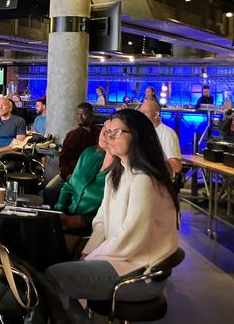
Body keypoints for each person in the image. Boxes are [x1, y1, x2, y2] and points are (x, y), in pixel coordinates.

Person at [44, 109, 179, 324]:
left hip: (138, 272)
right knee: (52, 270)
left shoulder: (144, 179)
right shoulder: (118, 173)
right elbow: (101, 223)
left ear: (137, 136)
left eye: (117, 132)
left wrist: (92, 258)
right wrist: (88, 253)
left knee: (52, 277)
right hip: (121, 260)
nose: (109, 137)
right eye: (108, 132)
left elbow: (132, 237)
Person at [56, 103, 102, 184]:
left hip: (94, 175)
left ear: (91, 115)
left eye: (83, 114)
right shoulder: (72, 135)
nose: (79, 117)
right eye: (78, 114)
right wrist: (67, 175)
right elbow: (63, 158)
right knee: (49, 191)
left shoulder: (101, 134)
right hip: (72, 174)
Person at [140, 100, 182, 175]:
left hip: (159, 180)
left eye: (145, 112)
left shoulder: (168, 134)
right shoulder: (140, 132)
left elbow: (177, 167)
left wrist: (151, 160)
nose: (141, 116)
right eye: (140, 113)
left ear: (156, 114)